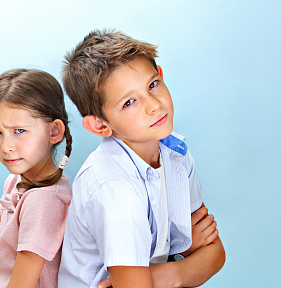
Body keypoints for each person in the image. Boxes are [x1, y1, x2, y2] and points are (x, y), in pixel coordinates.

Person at [58, 29, 226, 288]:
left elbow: (214, 254)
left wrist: (171, 273)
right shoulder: (114, 186)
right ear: (100, 126)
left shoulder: (175, 153)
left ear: (160, 75)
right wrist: (182, 264)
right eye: (129, 102)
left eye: (152, 85)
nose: (154, 105)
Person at [0, 69, 73, 288]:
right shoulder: (16, 181)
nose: (7, 147)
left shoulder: (44, 200)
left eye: (19, 130)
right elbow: (0, 241)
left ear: (54, 131)